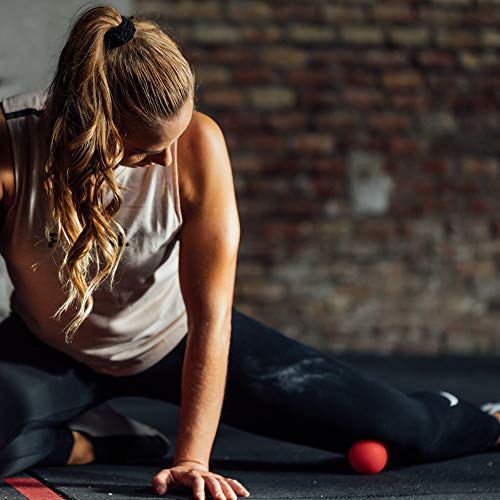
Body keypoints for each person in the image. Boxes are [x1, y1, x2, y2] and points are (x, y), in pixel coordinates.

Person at [0, 4, 499, 499]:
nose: (168, 157)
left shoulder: (199, 146)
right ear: (94, 127)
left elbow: (212, 318)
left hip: (171, 339)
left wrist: (192, 459)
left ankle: (488, 421)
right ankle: (92, 442)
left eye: (176, 136)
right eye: (146, 150)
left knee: (404, 429)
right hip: (50, 350)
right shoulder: (11, 151)